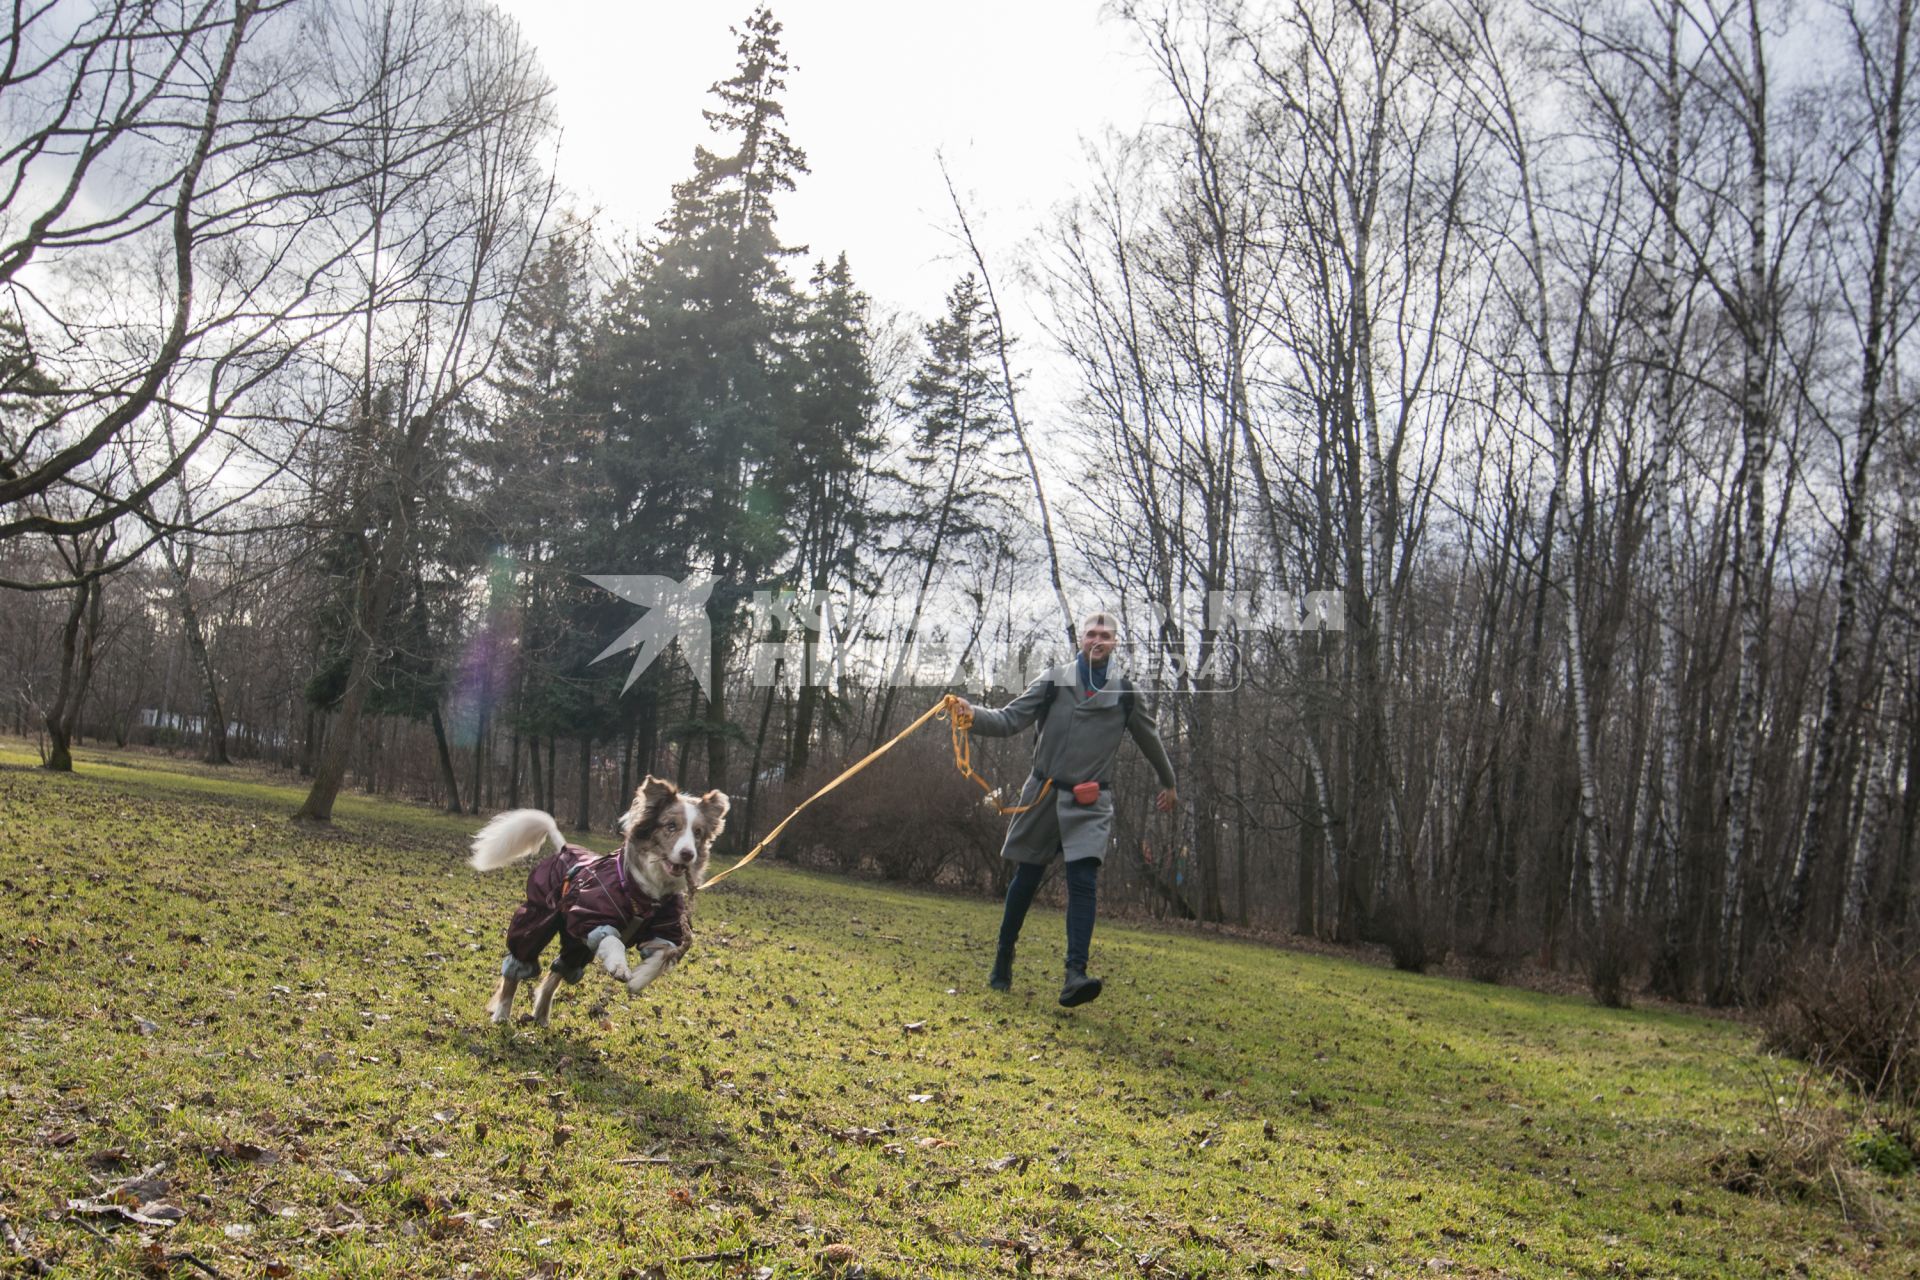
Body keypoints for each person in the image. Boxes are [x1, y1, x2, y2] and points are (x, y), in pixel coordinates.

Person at [953, 611, 1177, 1006]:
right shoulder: (1054, 681)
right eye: (1091, 633)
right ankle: (1003, 957)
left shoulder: (1125, 692)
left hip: (1091, 801)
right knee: (1027, 877)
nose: (1097, 639)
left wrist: (1169, 782)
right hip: (1044, 793)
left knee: (1083, 880)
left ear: (1114, 644)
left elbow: (1151, 739)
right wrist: (973, 717)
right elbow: (1009, 719)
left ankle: (1075, 974)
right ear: (1081, 640)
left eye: (1105, 635)